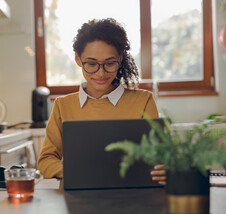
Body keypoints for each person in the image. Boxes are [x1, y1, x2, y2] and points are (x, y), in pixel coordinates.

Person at [37, 18, 166, 185]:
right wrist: (77, 173)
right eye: (91, 64)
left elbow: (158, 157)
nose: (100, 73)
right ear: (78, 59)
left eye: (110, 63)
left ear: (120, 59)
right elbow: (46, 161)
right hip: (78, 196)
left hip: (132, 194)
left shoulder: (144, 101)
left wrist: (164, 168)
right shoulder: (63, 106)